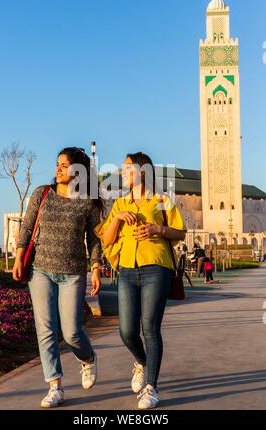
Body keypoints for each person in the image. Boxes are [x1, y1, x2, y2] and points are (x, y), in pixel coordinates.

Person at [12, 147, 102, 408]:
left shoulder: (87, 201)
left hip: (73, 273)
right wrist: (19, 258)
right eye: (58, 164)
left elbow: (94, 239)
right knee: (46, 330)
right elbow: (27, 227)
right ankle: (55, 385)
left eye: (64, 165)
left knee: (72, 332)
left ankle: (88, 359)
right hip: (39, 270)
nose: (58, 169)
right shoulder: (42, 194)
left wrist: (95, 268)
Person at [95, 152, 186, 409]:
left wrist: (157, 229)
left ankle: (151, 388)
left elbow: (180, 231)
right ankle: (141, 362)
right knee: (126, 331)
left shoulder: (160, 200)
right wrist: (117, 218)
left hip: (156, 269)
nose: (123, 173)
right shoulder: (121, 203)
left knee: (150, 327)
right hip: (126, 270)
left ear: (142, 171)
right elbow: (108, 239)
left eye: (127, 168)